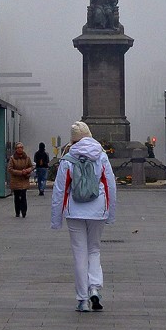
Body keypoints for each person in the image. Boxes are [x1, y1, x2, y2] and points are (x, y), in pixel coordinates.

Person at [51, 121, 117, 312]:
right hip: (98, 210)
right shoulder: (101, 156)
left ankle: (82, 299)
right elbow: (110, 186)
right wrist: (110, 213)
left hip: (75, 211)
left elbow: (59, 190)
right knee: (94, 250)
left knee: (79, 253)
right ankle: (94, 288)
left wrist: (56, 220)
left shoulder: (67, 158)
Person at [8, 143, 35, 218]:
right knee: (17, 196)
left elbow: (31, 166)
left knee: (23, 196)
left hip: (24, 179)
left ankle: (24, 211)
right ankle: (17, 211)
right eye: (18, 148)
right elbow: (10, 169)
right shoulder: (12, 158)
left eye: (21, 147)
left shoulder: (27, 158)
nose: (20, 149)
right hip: (16, 180)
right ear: (16, 149)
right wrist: (20, 172)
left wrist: (27, 170)